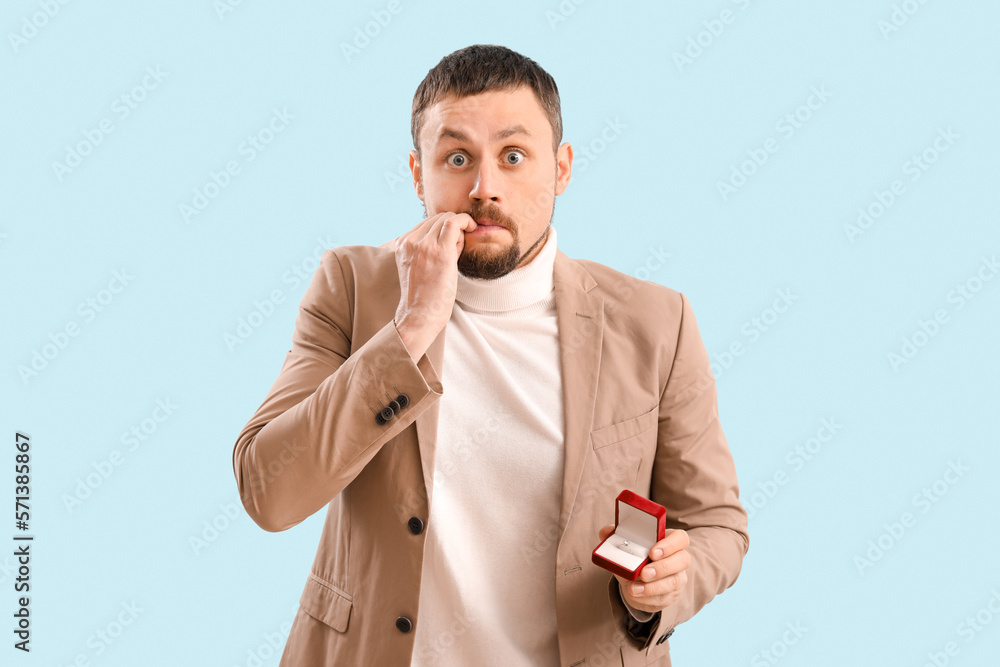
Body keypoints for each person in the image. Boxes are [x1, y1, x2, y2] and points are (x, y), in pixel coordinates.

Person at [232, 44, 748, 666]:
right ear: (420, 174)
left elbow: (716, 524)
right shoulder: (351, 286)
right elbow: (269, 491)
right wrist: (410, 329)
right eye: (457, 158)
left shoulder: (655, 322)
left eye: (512, 156)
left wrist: (667, 585)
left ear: (559, 169)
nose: (484, 189)